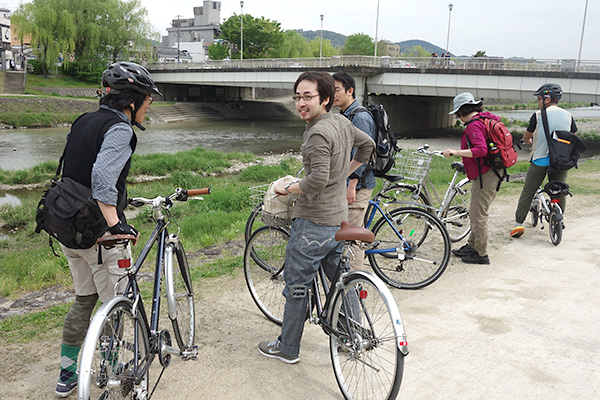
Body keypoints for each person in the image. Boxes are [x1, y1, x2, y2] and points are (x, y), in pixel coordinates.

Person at [54, 61, 161, 398]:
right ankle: (112, 369)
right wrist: (118, 225)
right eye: (148, 99)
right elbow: (101, 180)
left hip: (70, 229)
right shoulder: (120, 130)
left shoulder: (84, 120)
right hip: (99, 234)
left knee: (84, 301)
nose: (150, 105)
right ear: (132, 102)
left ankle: (67, 374)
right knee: (114, 304)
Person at [257, 71, 375, 364]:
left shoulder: (317, 132)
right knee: (339, 280)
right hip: (337, 219)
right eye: (297, 96)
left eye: (307, 97)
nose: (300, 103)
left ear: (325, 99)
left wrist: (288, 188)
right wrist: (344, 175)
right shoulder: (341, 121)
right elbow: (368, 146)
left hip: (313, 222)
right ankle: (352, 337)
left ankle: (287, 348)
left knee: (297, 285)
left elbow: (316, 180)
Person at [510, 83, 577, 238]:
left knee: (529, 190)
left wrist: (531, 142)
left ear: (547, 99)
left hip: (541, 159)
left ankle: (518, 224)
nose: (538, 102)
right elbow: (573, 135)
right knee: (559, 189)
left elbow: (527, 137)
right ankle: (559, 217)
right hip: (561, 161)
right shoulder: (569, 116)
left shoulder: (538, 115)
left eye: (539, 99)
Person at [442, 92, 500, 265]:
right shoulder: (483, 119)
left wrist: (456, 152)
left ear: (461, 111)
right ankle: (472, 246)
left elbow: (481, 150)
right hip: (490, 172)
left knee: (478, 215)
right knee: (476, 212)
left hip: (486, 175)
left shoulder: (474, 125)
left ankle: (481, 254)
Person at [332, 72, 377, 270]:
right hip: (350, 183)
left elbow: (363, 153)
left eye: (336, 90)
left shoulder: (360, 117)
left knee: (353, 237)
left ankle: (355, 284)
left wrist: (352, 184)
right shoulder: (346, 114)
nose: (333, 95)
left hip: (358, 185)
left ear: (350, 91)